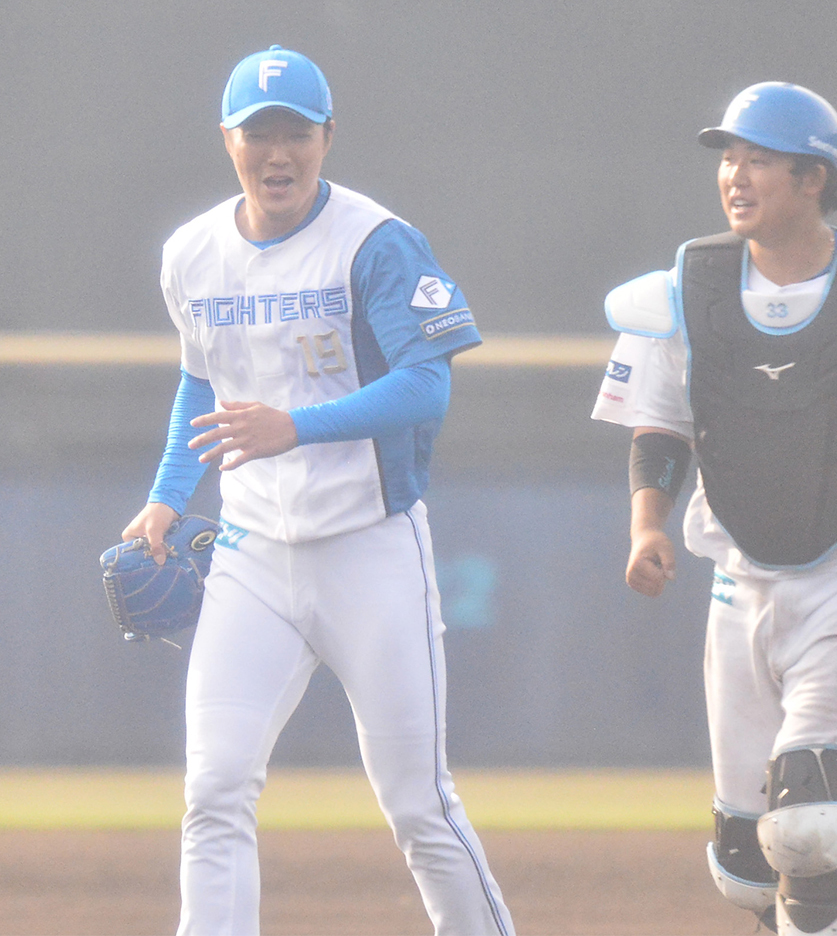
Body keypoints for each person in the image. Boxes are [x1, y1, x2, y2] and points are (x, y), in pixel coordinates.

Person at [122, 45, 514, 936]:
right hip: (252, 555)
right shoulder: (192, 254)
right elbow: (201, 380)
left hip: (368, 547)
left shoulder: (375, 242)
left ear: (327, 137)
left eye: (295, 133)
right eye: (258, 133)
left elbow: (427, 385)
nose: (278, 152)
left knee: (418, 803)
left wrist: (294, 426)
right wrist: (168, 496)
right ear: (228, 141)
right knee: (214, 787)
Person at [592, 81, 837, 936]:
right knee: (746, 864)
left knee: (808, 821)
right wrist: (647, 523)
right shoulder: (687, 288)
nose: (735, 175)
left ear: (814, 179)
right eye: (729, 158)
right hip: (739, 585)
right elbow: (659, 423)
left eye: (760, 160)